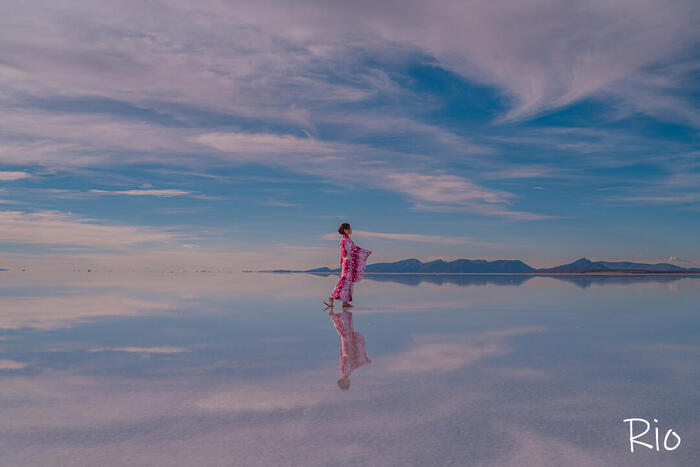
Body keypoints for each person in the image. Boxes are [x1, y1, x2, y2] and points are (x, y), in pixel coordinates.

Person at [324, 223, 371, 308]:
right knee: (343, 281)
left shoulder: (348, 240)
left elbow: (354, 249)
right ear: (345, 230)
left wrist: (364, 252)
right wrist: (364, 253)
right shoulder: (345, 240)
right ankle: (331, 298)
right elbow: (350, 251)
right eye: (349, 228)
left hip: (350, 263)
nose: (351, 230)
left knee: (349, 282)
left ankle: (345, 302)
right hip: (347, 264)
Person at [329, 309, 371, 390]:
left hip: (347, 351)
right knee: (347, 334)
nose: (350, 382)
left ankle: (342, 317)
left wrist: (346, 355)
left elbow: (346, 362)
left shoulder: (344, 372)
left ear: (344, 381)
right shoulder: (346, 373)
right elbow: (353, 365)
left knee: (346, 334)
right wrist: (364, 361)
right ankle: (343, 317)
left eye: (348, 384)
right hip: (347, 351)